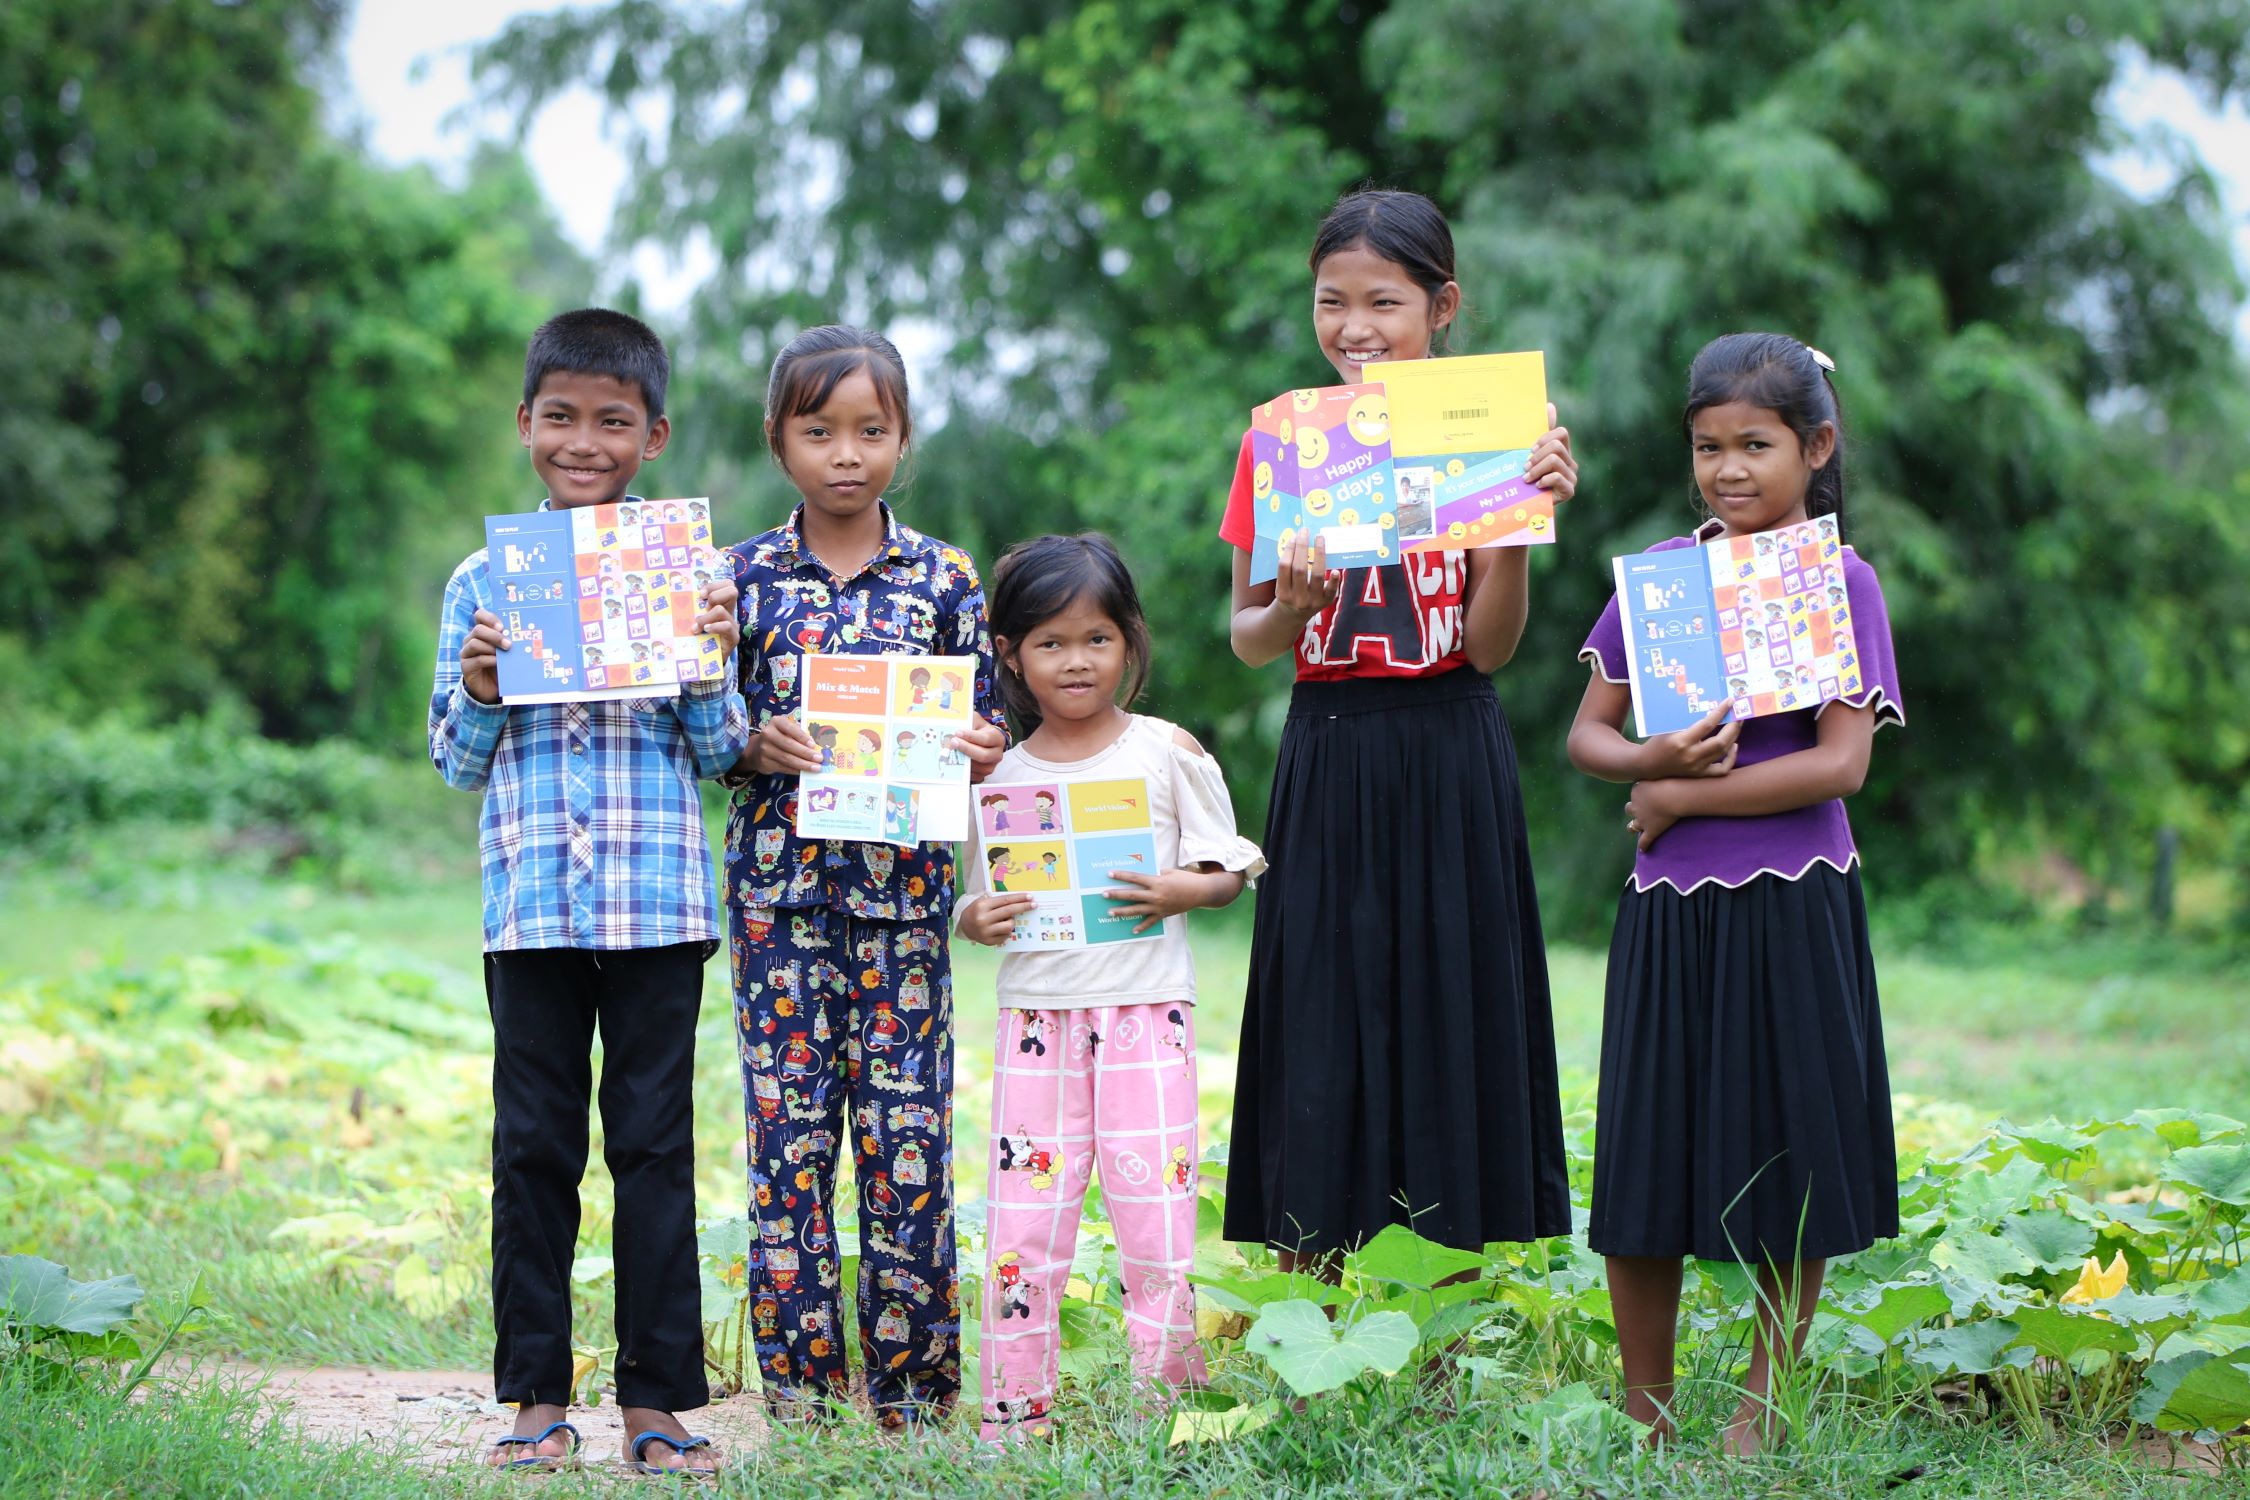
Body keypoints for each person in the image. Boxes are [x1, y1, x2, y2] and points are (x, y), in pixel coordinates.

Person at [1220, 188, 1576, 1269]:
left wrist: (1513, 525)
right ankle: (1309, 1292)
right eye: (1333, 302)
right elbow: (1246, 634)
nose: (1356, 328)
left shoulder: (1490, 433)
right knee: (1321, 1009)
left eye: (1385, 301)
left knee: (1449, 1005)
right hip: (1329, 745)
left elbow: (1494, 644)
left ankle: (1439, 1312)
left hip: (1450, 742)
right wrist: (1290, 604)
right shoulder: (1285, 438)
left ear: (1443, 306)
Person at [1566, 333, 1904, 1456]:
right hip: (1673, 909)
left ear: (1816, 446)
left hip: (1797, 900)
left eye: (1755, 445)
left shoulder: (1840, 582)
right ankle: (1645, 1406)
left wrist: (1686, 800)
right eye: (1708, 447)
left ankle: (1766, 1405)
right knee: (1647, 1150)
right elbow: (1589, 737)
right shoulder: (1664, 583)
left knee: (1792, 1147)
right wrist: (1651, 767)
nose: (1729, 470)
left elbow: (1840, 765)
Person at [428, 307, 744, 1477]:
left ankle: (657, 1404)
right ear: (524, 426)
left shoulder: (688, 571)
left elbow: (717, 751)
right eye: (560, 416)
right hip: (532, 911)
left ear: (653, 436)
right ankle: (533, 1402)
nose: (584, 440)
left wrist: (712, 654)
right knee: (531, 1152)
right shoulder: (483, 579)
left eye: (614, 421)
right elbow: (456, 763)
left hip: (658, 908)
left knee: (654, 1150)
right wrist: (481, 685)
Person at [721, 325, 1007, 1428]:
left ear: (903, 438)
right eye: (820, 430)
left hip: (907, 914)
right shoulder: (738, 579)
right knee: (788, 1147)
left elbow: (990, 717)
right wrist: (753, 740)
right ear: (779, 440)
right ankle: (799, 1394)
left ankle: (917, 1398)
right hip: (779, 907)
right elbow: (701, 725)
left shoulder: (944, 577)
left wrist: (982, 743)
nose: (847, 453)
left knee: (909, 1144)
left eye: (871, 431)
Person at [957, 533, 1263, 1443]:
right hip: (1036, 1025)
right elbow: (976, 898)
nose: (1076, 660)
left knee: (1157, 1225)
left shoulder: (1166, 752)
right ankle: (1014, 1413)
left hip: (1145, 1018)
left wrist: (1184, 888)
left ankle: (1166, 1405)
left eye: (1096, 638)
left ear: (1128, 639)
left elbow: (1228, 870)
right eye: (1049, 642)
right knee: (1022, 1230)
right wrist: (974, 920)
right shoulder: (996, 773)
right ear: (1011, 655)